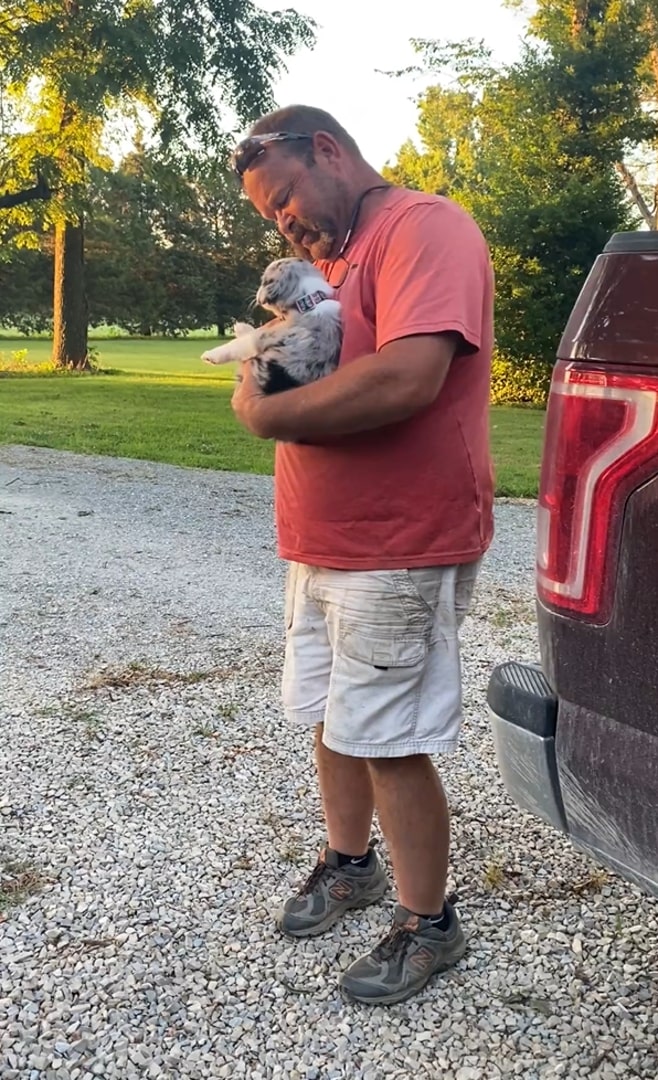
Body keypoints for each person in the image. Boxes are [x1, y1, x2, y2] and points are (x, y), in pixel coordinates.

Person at [228, 105, 495, 1006]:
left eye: (287, 198)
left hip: (399, 540)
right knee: (332, 715)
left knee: (387, 737)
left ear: (329, 152)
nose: (285, 221)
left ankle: (431, 924)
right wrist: (261, 361)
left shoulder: (426, 228)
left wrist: (262, 412)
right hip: (321, 538)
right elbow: (287, 359)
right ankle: (350, 866)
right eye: (272, 215)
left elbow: (407, 375)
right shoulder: (325, 269)